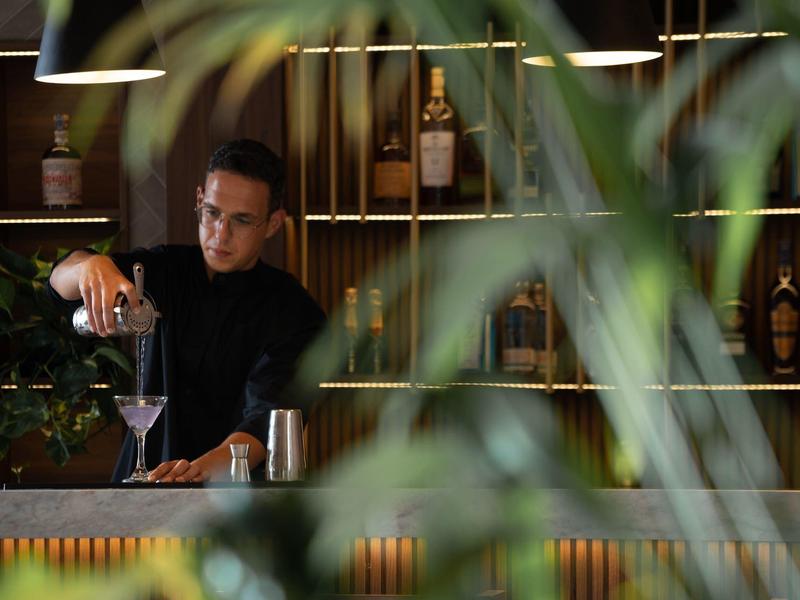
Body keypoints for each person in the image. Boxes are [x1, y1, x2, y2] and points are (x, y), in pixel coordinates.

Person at [48, 139, 326, 483]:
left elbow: (266, 420)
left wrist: (197, 473)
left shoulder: (295, 312)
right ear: (199, 200)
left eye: (241, 220)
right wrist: (90, 266)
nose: (220, 234)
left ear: (273, 223)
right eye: (212, 213)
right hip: (141, 488)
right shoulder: (164, 270)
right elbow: (58, 286)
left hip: (238, 503)